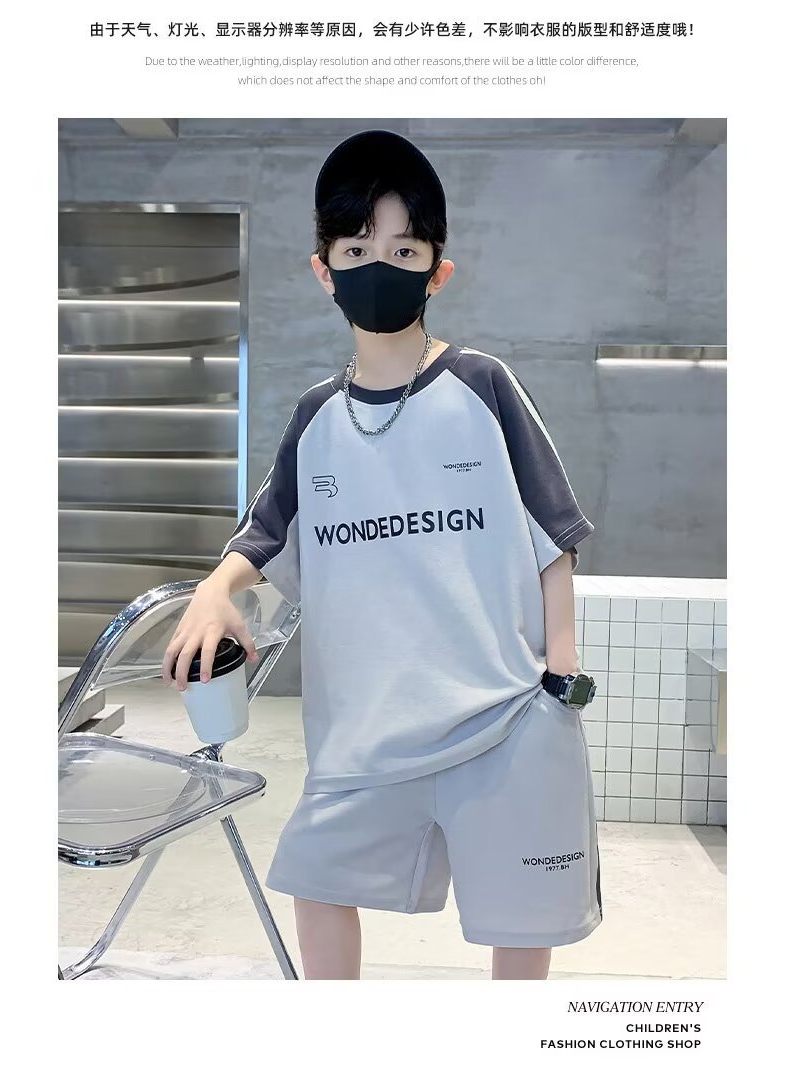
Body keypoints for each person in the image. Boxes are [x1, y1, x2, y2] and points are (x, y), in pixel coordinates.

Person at [163, 129, 602, 980]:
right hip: (363, 740)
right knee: (315, 881)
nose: (379, 266)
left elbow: (556, 535)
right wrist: (217, 589)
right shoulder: (317, 416)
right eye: (357, 249)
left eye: (403, 250)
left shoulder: (483, 385)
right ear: (324, 269)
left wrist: (560, 679)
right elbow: (264, 533)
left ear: (438, 270)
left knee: (521, 926)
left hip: (505, 723)